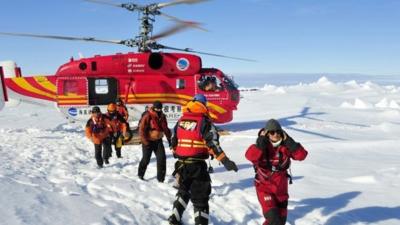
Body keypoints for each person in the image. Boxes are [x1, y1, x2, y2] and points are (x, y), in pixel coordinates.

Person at [168, 94, 238, 225]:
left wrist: (178, 152)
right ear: (203, 105)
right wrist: (225, 161)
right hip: (197, 166)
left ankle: (174, 218)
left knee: (184, 190)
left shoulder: (181, 120)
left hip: (181, 164)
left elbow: (173, 140)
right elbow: (213, 143)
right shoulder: (204, 121)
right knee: (200, 196)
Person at [245, 119, 308, 225]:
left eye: (278, 132)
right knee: (274, 220)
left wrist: (290, 142)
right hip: (264, 187)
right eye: (272, 132)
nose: (275, 135)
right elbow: (250, 156)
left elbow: (301, 156)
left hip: (281, 190)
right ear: (267, 134)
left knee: (279, 221)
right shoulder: (262, 146)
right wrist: (260, 144)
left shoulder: (285, 146)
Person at [138, 100, 172, 182]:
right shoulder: (147, 115)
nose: (159, 110)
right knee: (146, 159)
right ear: (154, 108)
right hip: (148, 141)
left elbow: (166, 129)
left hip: (158, 141)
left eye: (160, 109)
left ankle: (161, 179)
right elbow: (141, 130)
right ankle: (140, 174)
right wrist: (145, 142)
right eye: (157, 109)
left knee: (162, 159)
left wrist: (169, 140)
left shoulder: (162, 116)